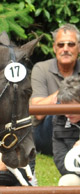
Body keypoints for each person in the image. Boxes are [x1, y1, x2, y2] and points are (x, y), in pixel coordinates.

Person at [31, 24, 80, 155]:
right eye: (60, 45)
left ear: (79, 48)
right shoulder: (41, 68)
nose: (65, 49)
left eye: (71, 44)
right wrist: (65, 92)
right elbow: (38, 112)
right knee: (61, 103)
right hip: (46, 132)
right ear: (54, 48)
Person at [53, 75, 80, 194]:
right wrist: (76, 156)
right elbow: (61, 162)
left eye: (73, 108)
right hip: (76, 173)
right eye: (64, 108)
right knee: (66, 183)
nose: (68, 114)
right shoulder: (59, 120)